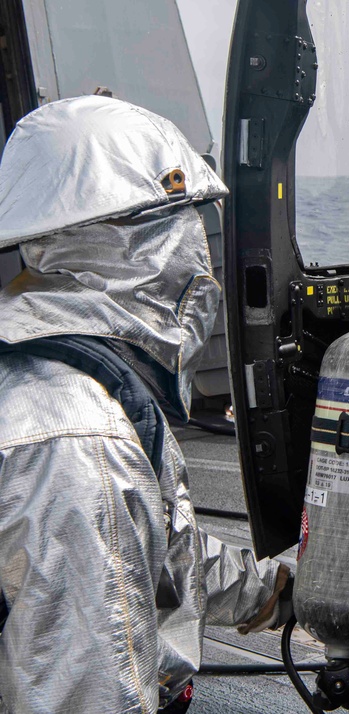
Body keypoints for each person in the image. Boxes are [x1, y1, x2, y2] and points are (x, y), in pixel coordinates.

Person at [0, 96, 291, 714]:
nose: (200, 249)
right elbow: (86, 694)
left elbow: (148, 545)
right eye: (183, 221)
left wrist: (273, 589)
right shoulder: (78, 439)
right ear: (132, 241)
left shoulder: (57, 375)